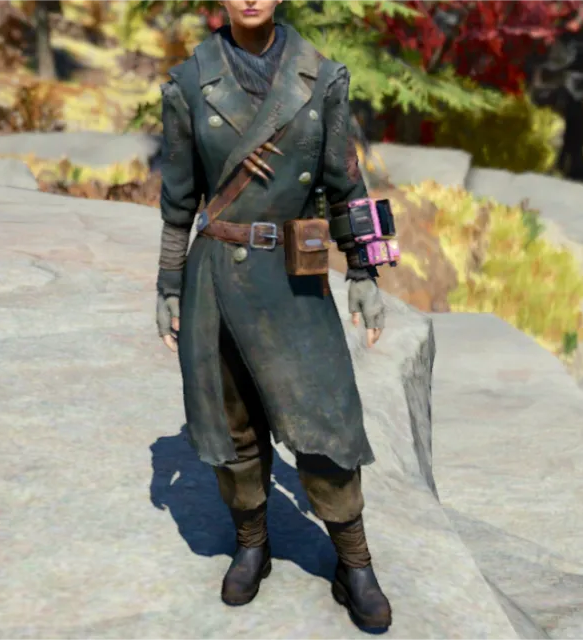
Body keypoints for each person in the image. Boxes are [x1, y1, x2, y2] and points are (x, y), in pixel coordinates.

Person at [155, 0, 390, 632]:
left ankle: (354, 560)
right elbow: (178, 198)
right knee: (231, 422)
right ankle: (252, 543)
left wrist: (365, 272)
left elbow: (347, 183)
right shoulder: (189, 81)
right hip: (216, 274)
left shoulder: (323, 77)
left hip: (294, 273)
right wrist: (169, 282)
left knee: (326, 416)